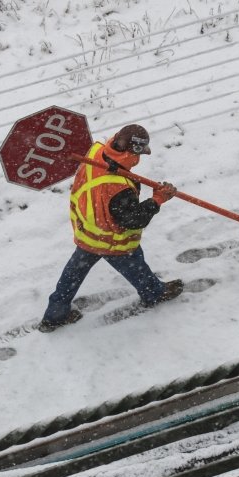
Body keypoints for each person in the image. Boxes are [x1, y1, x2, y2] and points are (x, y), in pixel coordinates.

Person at [39, 124, 184, 332]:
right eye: (140, 152)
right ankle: (154, 294)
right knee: (134, 264)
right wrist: (158, 199)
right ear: (132, 152)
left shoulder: (96, 152)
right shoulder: (116, 187)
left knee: (73, 274)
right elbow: (134, 219)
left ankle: (54, 315)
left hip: (88, 229)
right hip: (110, 239)